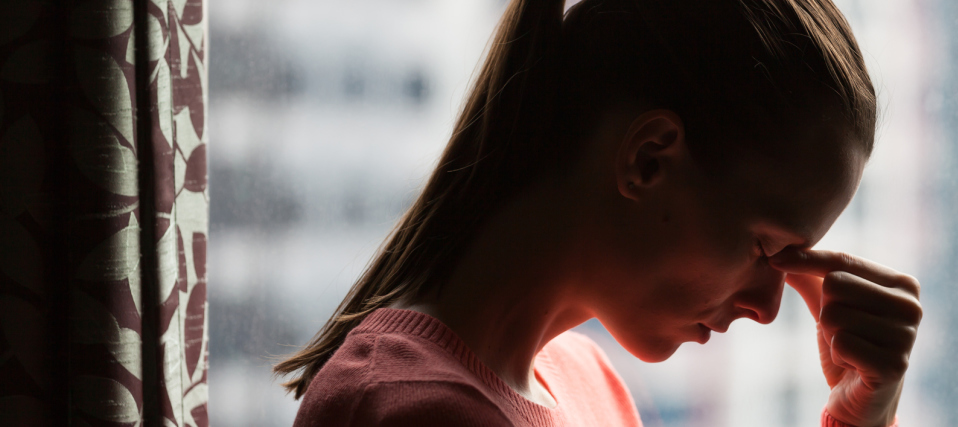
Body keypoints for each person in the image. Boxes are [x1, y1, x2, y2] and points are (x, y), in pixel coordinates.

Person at [274, 0, 922, 425]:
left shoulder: (587, 384)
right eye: (763, 249)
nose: (767, 307)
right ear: (647, 160)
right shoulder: (420, 414)